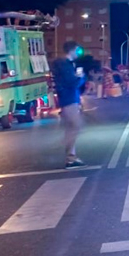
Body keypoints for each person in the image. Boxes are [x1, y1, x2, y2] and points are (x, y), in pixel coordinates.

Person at [51, 41, 87, 169]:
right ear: (71, 50)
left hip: (70, 99)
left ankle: (71, 158)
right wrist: (81, 77)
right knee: (77, 126)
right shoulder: (65, 65)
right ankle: (60, 145)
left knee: (71, 129)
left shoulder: (67, 64)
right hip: (69, 99)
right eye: (77, 50)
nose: (78, 53)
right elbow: (72, 83)